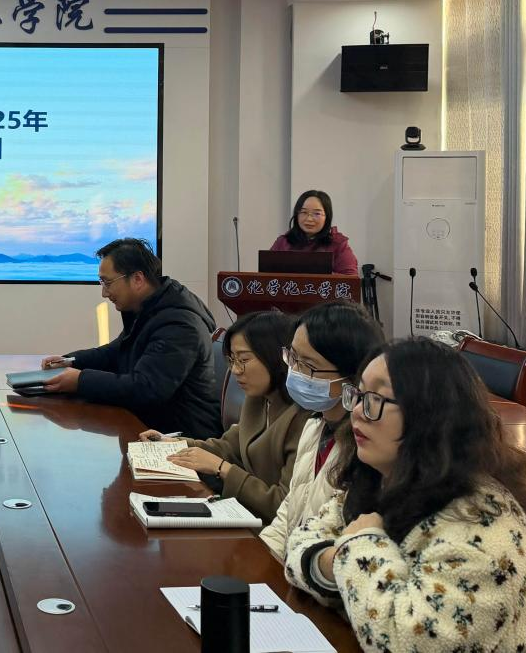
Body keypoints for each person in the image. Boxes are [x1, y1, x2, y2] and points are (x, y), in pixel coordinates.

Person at [285, 339, 526, 651]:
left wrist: (360, 545)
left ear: (429, 416)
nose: (357, 412)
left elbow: (408, 643)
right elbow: (301, 541)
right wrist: (336, 561)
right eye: (358, 396)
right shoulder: (380, 478)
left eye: (375, 399)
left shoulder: (478, 522)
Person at [138, 311, 309, 524]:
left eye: (244, 360)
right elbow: (228, 446)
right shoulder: (259, 398)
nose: (235, 370)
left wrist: (222, 469)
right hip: (244, 514)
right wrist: (174, 444)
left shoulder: (303, 417)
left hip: (270, 529)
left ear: (276, 357)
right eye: (232, 360)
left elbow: (281, 505)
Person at [40, 238, 220, 440]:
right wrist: (70, 361)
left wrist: (80, 381)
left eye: (108, 283)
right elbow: (115, 352)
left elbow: (146, 389)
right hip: (148, 426)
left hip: (183, 439)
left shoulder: (179, 324)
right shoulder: (149, 308)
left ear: (137, 279)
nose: (104, 293)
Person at [258, 300, 382, 558]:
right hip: (292, 566)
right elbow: (289, 512)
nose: (295, 371)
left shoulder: (364, 446)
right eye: (293, 357)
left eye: (309, 366)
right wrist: (259, 557)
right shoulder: (314, 426)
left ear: (351, 376)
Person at [269, 190, 358, 275]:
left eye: (317, 213)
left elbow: (350, 279)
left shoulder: (338, 244)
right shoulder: (283, 242)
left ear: (327, 217)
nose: (309, 219)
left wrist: (315, 273)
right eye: (304, 212)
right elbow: (267, 274)